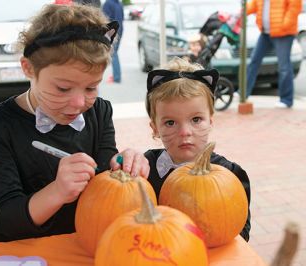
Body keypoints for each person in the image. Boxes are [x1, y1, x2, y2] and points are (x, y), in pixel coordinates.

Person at [0, 4, 149, 242]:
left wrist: (122, 162)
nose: (78, 103)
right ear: (28, 68)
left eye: (91, 87)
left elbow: (105, 168)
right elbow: (4, 222)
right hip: (28, 252)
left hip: (89, 242)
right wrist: (57, 191)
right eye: (63, 88)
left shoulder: (99, 111)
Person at [144, 57, 251, 241]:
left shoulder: (231, 175)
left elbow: (240, 230)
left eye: (196, 120)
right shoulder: (145, 170)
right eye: (170, 122)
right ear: (155, 128)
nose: (185, 132)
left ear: (210, 121)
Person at [246, 0, 302, 108]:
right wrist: (240, 13)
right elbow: (253, 5)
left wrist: (283, 24)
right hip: (265, 33)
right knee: (254, 61)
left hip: (283, 33)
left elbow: (294, 7)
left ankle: (286, 100)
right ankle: (243, 93)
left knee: (284, 66)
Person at [102, 0, 124, 83]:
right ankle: (116, 76)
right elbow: (122, 18)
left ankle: (116, 77)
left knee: (113, 54)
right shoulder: (119, 3)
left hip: (112, 32)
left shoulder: (107, 3)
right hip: (120, 30)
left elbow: (104, 20)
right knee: (115, 53)